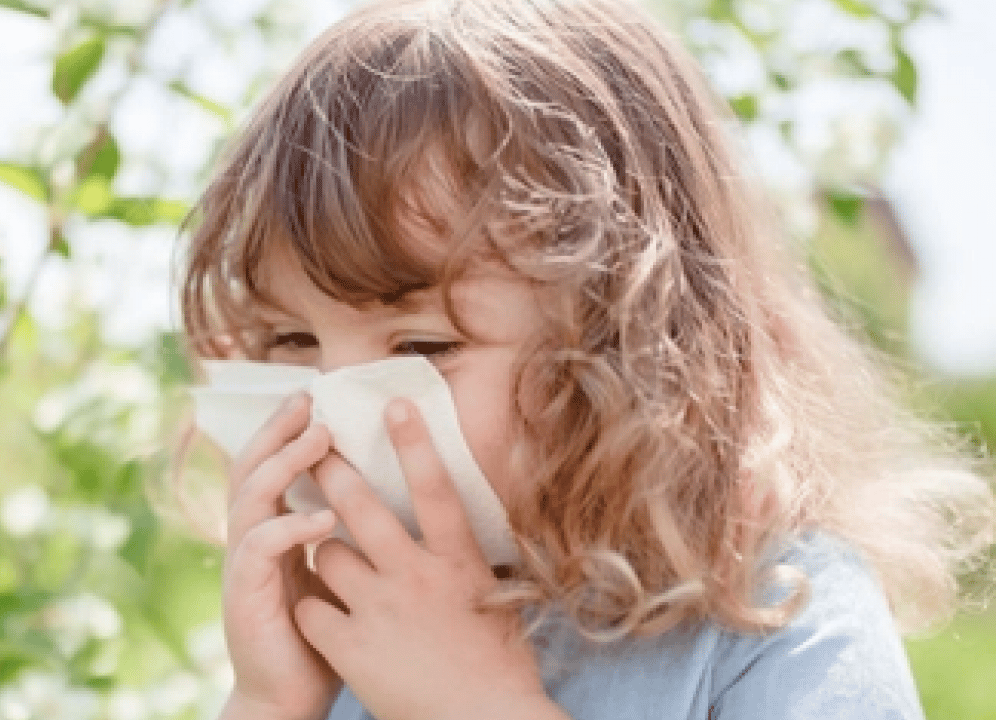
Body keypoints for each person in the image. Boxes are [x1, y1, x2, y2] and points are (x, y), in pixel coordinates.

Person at [177, 1, 996, 718]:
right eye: (291, 342)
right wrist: (269, 703)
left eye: (423, 346)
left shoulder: (778, 610)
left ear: (631, 342)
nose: (336, 417)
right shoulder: (350, 631)